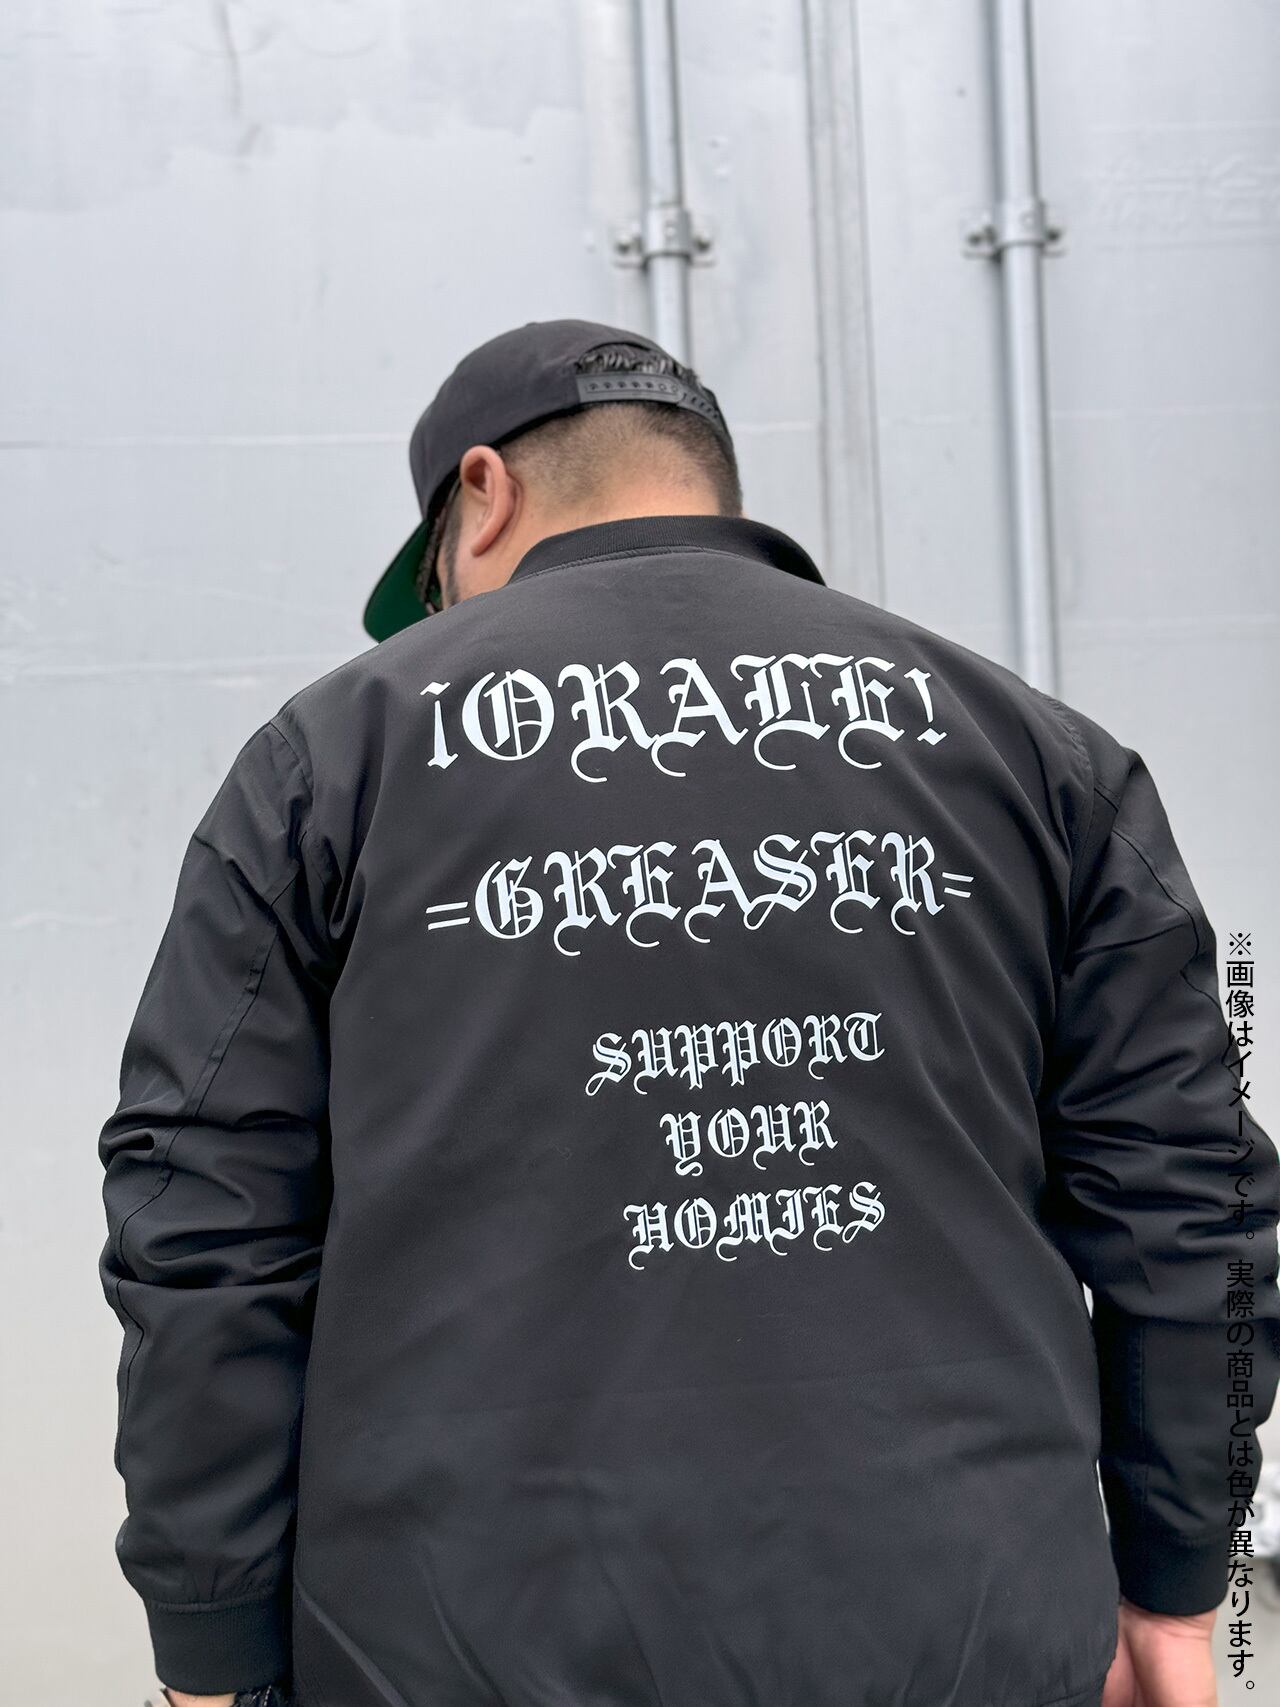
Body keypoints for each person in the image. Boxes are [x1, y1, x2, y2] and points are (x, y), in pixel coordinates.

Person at [98, 318, 1280, 1707]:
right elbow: (1187, 1197)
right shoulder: (1035, 751)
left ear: (484, 492)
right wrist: (1174, 1581)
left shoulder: (330, 763)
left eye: (434, 576)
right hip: (965, 1624)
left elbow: (203, 1219)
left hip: (456, 1640)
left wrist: (210, 1643)